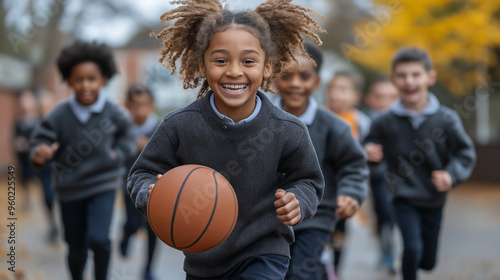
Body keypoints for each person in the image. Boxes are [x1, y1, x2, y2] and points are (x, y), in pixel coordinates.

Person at [128, 1, 325, 279]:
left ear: (267, 67)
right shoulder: (180, 125)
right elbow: (141, 173)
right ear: (202, 67)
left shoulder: (287, 129)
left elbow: (309, 180)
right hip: (202, 254)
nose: (234, 71)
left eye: (248, 61)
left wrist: (298, 201)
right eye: (220, 60)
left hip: (265, 249)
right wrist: (150, 193)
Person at [364, 47, 476, 280]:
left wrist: (451, 175)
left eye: (416, 74)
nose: (409, 81)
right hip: (402, 196)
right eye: (402, 75)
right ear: (394, 80)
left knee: (428, 261)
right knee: (412, 250)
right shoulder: (386, 121)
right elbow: (368, 150)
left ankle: (423, 262)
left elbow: (465, 153)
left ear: (429, 78)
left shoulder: (446, 119)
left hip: (434, 197)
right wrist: (368, 153)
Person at [30, 40, 136, 280]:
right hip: (70, 189)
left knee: (99, 240)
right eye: (79, 79)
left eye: (92, 78)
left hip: (103, 185)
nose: (85, 85)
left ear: (104, 80)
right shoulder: (59, 115)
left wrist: (116, 154)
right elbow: (39, 143)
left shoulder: (114, 113)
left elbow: (128, 138)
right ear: (69, 81)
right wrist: (40, 154)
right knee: (76, 248)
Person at [273, 43, 369, 280]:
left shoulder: (333, 127)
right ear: (274, 78)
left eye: (304, 76)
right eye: (286, 75)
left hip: (317, 219)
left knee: (301, 274)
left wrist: (351, 193)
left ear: (316, 83)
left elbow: (353, 165)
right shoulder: (259, 122)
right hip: (269, 220)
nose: (295, 83)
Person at [323, 69, 372, 273]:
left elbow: (365, 156)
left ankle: (336, 269)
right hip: (322, 186)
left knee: (340, 230)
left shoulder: (362, 122)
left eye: (342, 89)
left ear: (356, 96)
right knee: (321, 231)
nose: (335, 93)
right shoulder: (318, 115)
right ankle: (323, 269)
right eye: (332, 88)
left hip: (344, 188)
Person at [120, 85, 159, 280]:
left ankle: (148, 269)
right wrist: (131, 147)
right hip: (129, 184)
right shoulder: (124, 129)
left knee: (153, 229)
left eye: (145, 105)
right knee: (135, 224)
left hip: (156, 186)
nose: (141, 110)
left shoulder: (159, 127)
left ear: (152, 105)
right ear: (128, 107)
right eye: (136, 106)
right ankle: (127, 233)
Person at [363, 78, 398, 273]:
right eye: (379, 96)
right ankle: (387, 253)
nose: (385, 102)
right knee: (384, 215)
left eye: (391, 97)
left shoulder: (404, 121)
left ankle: (397, 252)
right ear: (370, 98)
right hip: (378, 178)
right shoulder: (364, 121)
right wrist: (364, 150)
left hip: (405, 179)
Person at [15, 89, 57, 242]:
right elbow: (32, 145)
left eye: (48, 106)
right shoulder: (37, 125)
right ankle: (53, 225)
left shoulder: (62, 122)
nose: (46, 110)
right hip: (46, 169)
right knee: (47, 197)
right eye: (43, 107)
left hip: (64, 169)